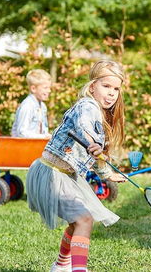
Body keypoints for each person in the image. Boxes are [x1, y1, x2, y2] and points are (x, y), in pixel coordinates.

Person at [26, 60, 127, 272]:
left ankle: (61, 265)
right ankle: (78, 270)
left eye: (116, 89)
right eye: (106, 86)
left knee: (77, 222)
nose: (111, 93)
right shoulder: (87, 106)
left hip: (66, 175)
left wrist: (107, 174)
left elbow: (94, 156)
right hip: (51, 174)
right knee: (84, 220)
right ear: (92, 87)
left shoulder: (100, 114)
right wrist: (91, 140)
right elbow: (83, 126)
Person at [11, 69, 52, 138]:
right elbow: (21, 132)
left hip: (36, 145)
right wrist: (43, 137)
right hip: (22, 146)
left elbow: (44, 131)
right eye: (45, 88)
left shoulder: (43, 106)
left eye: (49, 88)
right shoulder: (27, 106)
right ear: (33, 89)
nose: (49, 90)